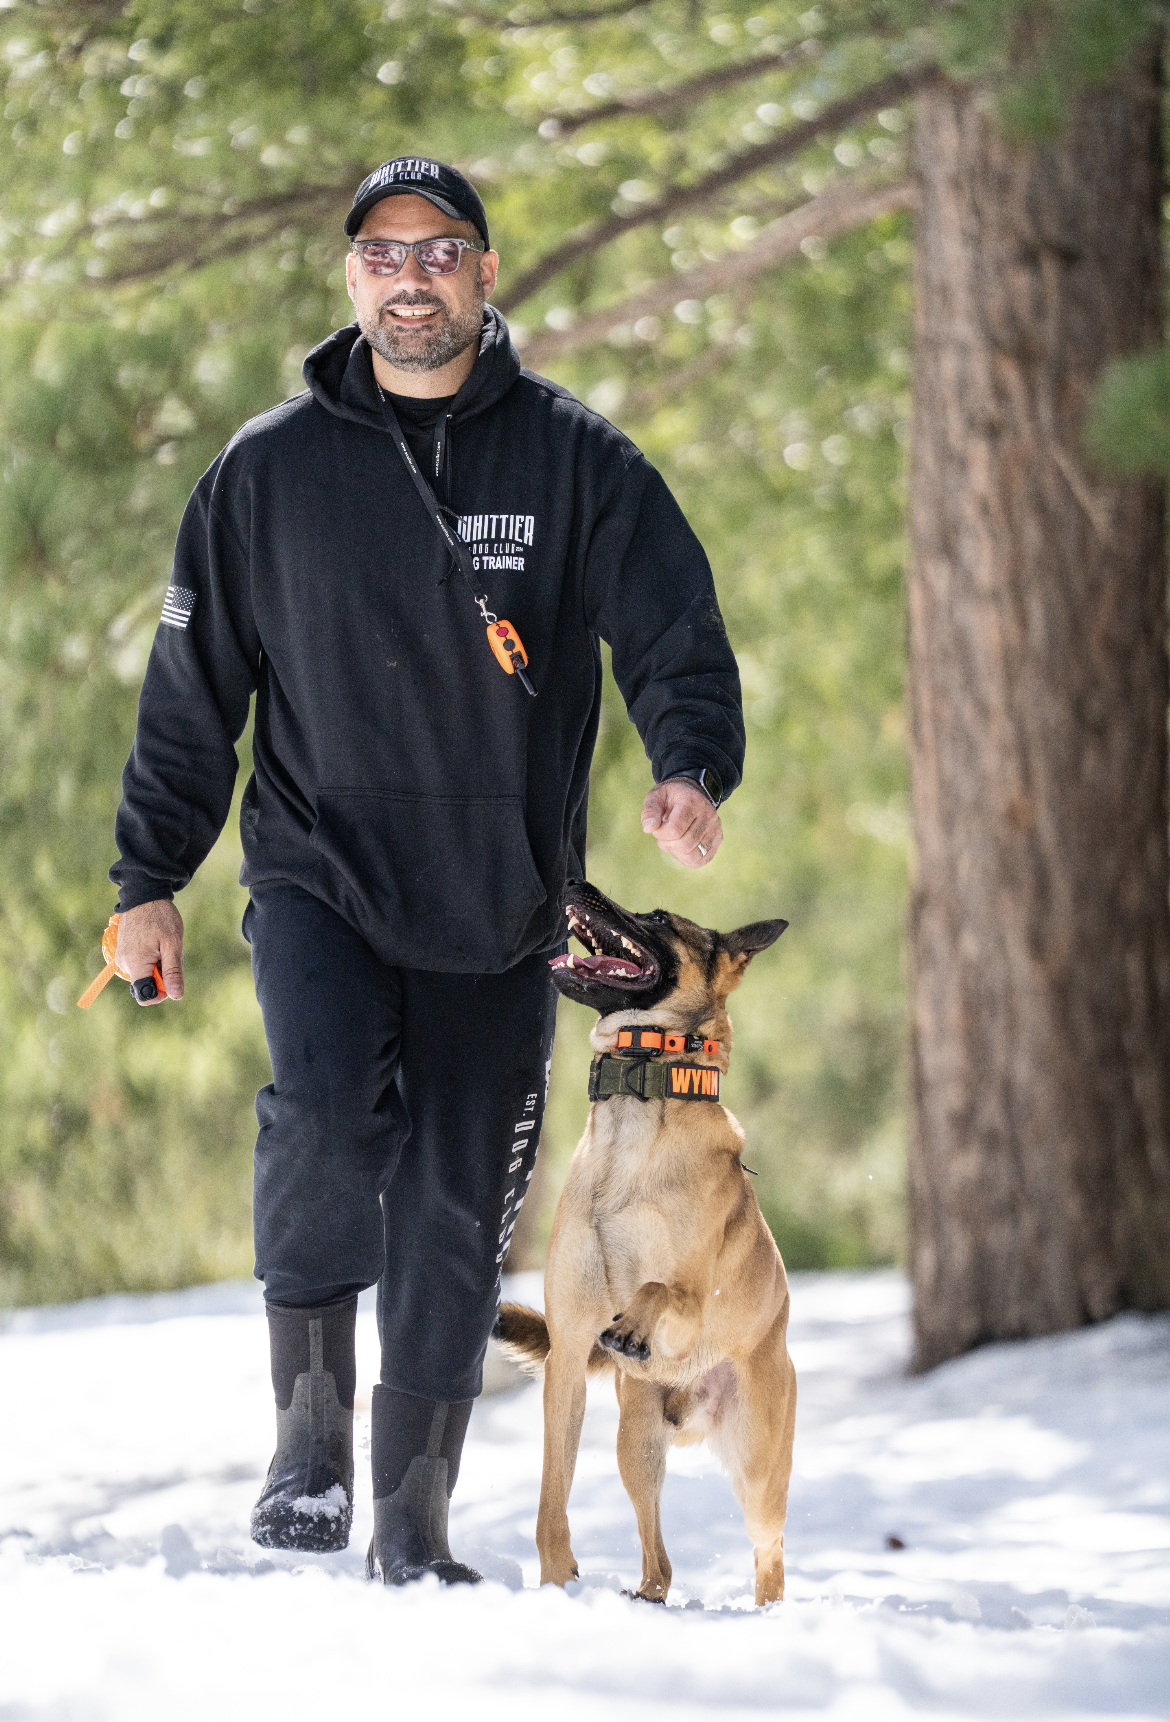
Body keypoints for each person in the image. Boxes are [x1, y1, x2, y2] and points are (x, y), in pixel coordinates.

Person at [111, 157, 745, 1585]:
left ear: (484, 270)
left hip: (502, 898)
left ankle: (412, 1525)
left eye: (440, 250)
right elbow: (190, 695)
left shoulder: (576, 461)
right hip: (319, 872)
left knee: (461, 1204)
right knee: (325, 1118)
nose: (412, 277)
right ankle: (308, 1449)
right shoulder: (265, 471)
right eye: (385, 254)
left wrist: (691, 764)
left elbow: (675, 631)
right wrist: (147, 875)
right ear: (352, 277)